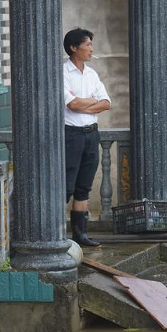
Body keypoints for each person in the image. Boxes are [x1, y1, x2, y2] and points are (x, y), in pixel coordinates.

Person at [62, 28, 111, 247]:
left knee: (84, 185)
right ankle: (56, 232)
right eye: (88, 44)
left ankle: (80, 235)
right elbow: (71, 104)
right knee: (66, 185)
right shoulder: (62, 72)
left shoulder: (92, 74)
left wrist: (84, 103)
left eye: (91, 44)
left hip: (92, 134)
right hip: (71, 135)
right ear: (74, 48)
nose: (91, 48)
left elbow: (106, 103)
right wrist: (91, 102)